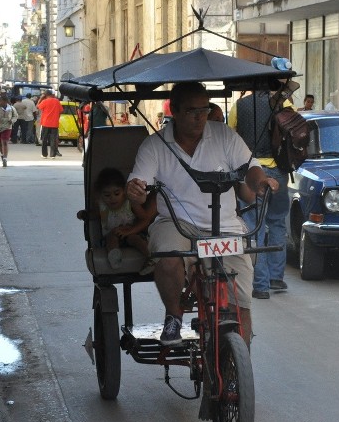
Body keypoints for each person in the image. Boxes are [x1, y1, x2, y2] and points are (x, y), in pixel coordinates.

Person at [127, 82, 279, 346]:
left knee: (241, 304)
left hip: (226, 226)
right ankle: (174, 315)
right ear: (174, 110)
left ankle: (236, 371)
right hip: (177, 224)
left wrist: (261, 182)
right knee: (168, 256)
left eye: (204, 110)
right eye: (191, 111)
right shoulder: (154, 145)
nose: (200, 117)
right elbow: (139, 183)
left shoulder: (224, 135)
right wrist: (137, 190)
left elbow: (250, 167)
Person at [228, 84, 296, 300]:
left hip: (252, 171)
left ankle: (260, 286)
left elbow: (229, 137)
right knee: (276, 223)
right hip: (278, 171)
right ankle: (277, 277)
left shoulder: (239, 106)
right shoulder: (283, 103)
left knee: (254, 227)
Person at [79, 167, 154, 272]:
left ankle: (151, 258)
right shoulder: (102, 206)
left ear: (124, 191)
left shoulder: (130, 203)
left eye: (116, 193)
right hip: (111, 235)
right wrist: (84, 214)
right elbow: (95, 215)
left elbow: (144, 219)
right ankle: (114, 257)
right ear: (101, 195)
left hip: (132, 233)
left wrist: (130, 230)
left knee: (135, 239)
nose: (112, 198)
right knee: (111, 237)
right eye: (107, 195)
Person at [0, 94, 18, 167]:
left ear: (5, 102)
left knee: (4, 141)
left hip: (7, 127)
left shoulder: (11, 108)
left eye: (0, 101)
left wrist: (12, 120)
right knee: (0, 143)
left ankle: (5, 158)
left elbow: (15, 116)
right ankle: (2, 154)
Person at [37, 90, 64, 158]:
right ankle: (52, 155)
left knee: (44, 139)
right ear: (52, 94)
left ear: (45, 95)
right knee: (53, 139)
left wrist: (41, 98)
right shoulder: (57, 101)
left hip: (45, 123)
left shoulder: (44, 101)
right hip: (54, 123)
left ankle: (44, 154)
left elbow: (38, 107)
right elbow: (61, 110)